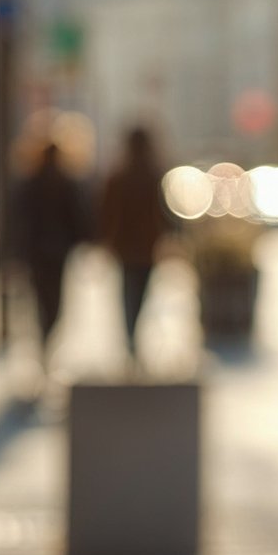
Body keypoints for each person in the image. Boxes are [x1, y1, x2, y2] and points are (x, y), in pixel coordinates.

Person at [11, 140, 90, 378]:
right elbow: (78, 217)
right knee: (53, 301)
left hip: (38, 252)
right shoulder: (62, 182)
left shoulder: (35, 182)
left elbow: (20, 219)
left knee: (41, 299)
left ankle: (45, 342)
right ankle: (47, 341)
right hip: (55, 252)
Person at [98, 125, 171, 372]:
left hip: (125, 247)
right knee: (140, 293)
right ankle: (133, 340)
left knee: (128, 293)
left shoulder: (119, 176)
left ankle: (131, 339)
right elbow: (163, 215)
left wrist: (107, 241)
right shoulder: (153, 175)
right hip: (145, 247)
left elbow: (107, 213)